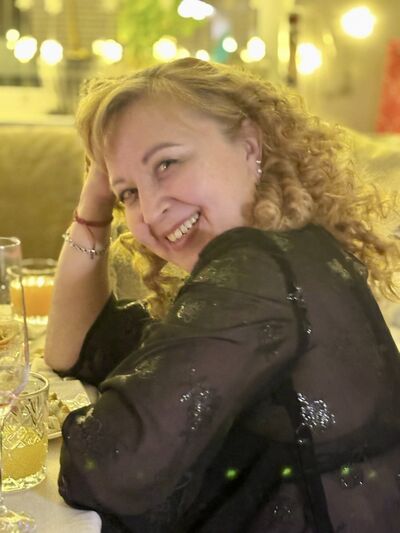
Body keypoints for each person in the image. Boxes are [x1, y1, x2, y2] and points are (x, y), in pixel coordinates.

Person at [44, 57, 400, 533]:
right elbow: (74, 348)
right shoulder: (291, 252)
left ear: (250, 145)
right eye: (127, 193)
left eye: (167, 163)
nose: (150, 209)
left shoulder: (256, 268)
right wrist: (93, 205)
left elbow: (107, 469)